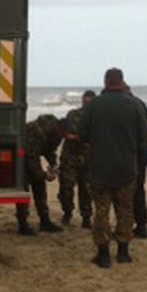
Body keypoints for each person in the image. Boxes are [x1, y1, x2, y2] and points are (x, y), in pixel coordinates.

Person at [78, 68, 147, 268]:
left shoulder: (94, 105)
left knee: (101, 210)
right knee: (125, 209)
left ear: (106, 81)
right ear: (122, 81)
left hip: (100, 167)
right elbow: (143, 139)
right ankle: (124, 252)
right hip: (126, 167)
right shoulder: (134, 105)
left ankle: (103, 254)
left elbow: (82, 134)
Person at [16, 114, 65, 235]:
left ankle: (45, 221)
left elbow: (50, 150)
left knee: (40, 188)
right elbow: (31, 159)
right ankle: (23, 224)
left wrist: (53, 164)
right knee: (23, 191)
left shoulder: (55, 133)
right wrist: (45, 175)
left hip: (32, 157)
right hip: (20, 158)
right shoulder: (36, 131)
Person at [58, 90, 96, 229]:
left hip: (89, 158)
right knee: (66, 188)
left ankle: (86, 217)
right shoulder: (73, 114)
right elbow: (69, 133)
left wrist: (80, 137)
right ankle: (67, 212)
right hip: (70, 157)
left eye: (90, 102)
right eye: (85, 101)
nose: (87, 104)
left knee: (87, 190)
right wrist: (82, 138)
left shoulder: (97, 117)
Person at [129, 89, 147, 239]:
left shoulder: (135, 104)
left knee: (134, 189)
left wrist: (144, 140)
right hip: (139, 151)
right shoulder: (138, 103)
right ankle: (140, 225)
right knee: (137, 189)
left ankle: (139, 225)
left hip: (137, 152)